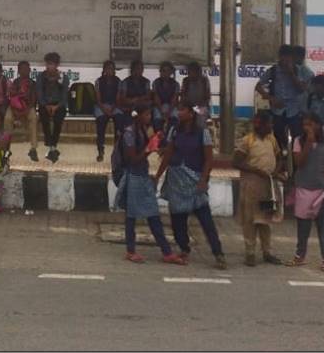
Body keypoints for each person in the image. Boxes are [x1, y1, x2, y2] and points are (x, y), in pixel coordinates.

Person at [155, 103, 227, 269]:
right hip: (176, 179)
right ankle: (184, 248)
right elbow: (168, 154)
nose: (179, 112)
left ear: (191, 114)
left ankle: (218, 253)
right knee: (177, 220)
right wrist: (158, 175)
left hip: (194, 179)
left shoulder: (203, 133)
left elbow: (209, 159)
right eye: (178, 109)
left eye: (182, 110)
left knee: (205, 219)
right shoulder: (175, 131)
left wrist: (203, 179)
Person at [113, 108, 185, 265]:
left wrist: (160, 145)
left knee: (152, 213)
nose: (149, 117)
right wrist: (148, 149)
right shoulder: (129, 133)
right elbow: (132, 159)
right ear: (137, 116)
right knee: (132, 215)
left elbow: (158, 147)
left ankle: (165, 251)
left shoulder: (146, 130)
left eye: (149, 114)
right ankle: (132, 250)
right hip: (133, 176)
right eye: (146, 114)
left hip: (142, 176)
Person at [286, 112, 324, 273]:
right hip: (304, 187)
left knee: (323, 225)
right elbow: (299, 162)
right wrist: (308, 143)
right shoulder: (299, 141)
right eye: (305, 125)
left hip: (322, 188)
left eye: (311, 124)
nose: (308, 128)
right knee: (303, 225)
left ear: (319, 125)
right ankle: (300, 255)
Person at [233, 111, 284, 267]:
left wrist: (276, 172)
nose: (271, 126)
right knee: (250, 220)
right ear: (259, 124)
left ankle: (267, 252)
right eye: (269, 123)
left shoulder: (272, 139)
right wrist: (256, 171)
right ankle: (250, 253)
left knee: (265, 220)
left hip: (268, 186)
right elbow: (236, 162)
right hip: (251, 185)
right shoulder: (247, 141)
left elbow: (280, 157)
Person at [255, 45, 308, 164]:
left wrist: (291, 74)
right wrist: (271, 98)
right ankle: (281, 157)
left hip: (293, 110)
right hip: (277, 109)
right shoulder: (273, 70)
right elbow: (258, 86)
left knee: (297, 137)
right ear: (280, 57)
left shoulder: (298, 70)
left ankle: (295, 162)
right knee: (277, 133)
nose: (286, 61)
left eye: (289, 59)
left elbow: (301, 89)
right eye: (284, 58)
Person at [36, 52, 70, 163]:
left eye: (52, 64)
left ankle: (53, 146)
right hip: (44, 104)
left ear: (57, 65)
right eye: (48, 64)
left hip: (58, 105)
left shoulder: (63, 77)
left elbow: (64, 96)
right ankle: (51, 146)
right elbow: (39, 94)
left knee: (58, 120)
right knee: (44, 119)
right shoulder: (41, 77)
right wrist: (45, 105)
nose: (49, 66)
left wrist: (56, 106)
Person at [8, 60, 40, 162]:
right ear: (18, 71)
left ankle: (33, 148)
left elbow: (33, 100)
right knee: (7, 118)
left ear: (30, 70)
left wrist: (25, 111)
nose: (25, 71)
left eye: (27, 69)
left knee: (34, 118)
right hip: (14, 107)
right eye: (22, 69)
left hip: (28, 108)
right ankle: (6, 148)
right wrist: (16, 112)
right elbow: (12, 98)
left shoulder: (33, 84)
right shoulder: (15, 83)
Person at [94, 60, 124, 162]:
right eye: (108, 68)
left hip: (114, 106)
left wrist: (112, 109)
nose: (110, 70)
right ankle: (100, 150)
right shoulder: (99, 81)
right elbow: (98, 100)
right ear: (104, 70)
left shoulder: (118, 81)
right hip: (102, 106)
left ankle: (117, 150)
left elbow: (118, 99)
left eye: (112, 68)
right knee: (101, 122)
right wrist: (104, 110)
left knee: (120, 122)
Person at [118, 59, 154, 127]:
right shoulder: (125, 82)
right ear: (132, 70)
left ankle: (147, 135)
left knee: (148, 117)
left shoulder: (146, 82)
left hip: (143, 108)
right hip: (129, 109)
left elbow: (148, 96)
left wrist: (136, 99)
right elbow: (123, 99)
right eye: (137, 69)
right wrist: (132, 101)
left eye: (141, 69)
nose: (138, 71)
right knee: (129, 120)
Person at [180, 61, 212, 128]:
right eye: (189, 71)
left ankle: (200, 136)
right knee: (181, 115)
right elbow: (183, 96)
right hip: (189, 106)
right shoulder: (186, 80)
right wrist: (187, 105)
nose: (190, 73)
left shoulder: (204, 80)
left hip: (201, 106)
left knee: (200, 117)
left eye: (193, 71)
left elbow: (207, 97)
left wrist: (196, 107)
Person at [152, 61, 180, 132]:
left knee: (175, 117)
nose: (165, 73)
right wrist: (161, 112)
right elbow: (156, 98)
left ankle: (171, 136)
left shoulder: (175, 84)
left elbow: (174, 99)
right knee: (157, 118)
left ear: (171, 72)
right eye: (163, 71)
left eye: (168, 71)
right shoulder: (156, 82)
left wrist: (169, 112)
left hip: (171, 106)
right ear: (160, 72)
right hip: (159, 106)